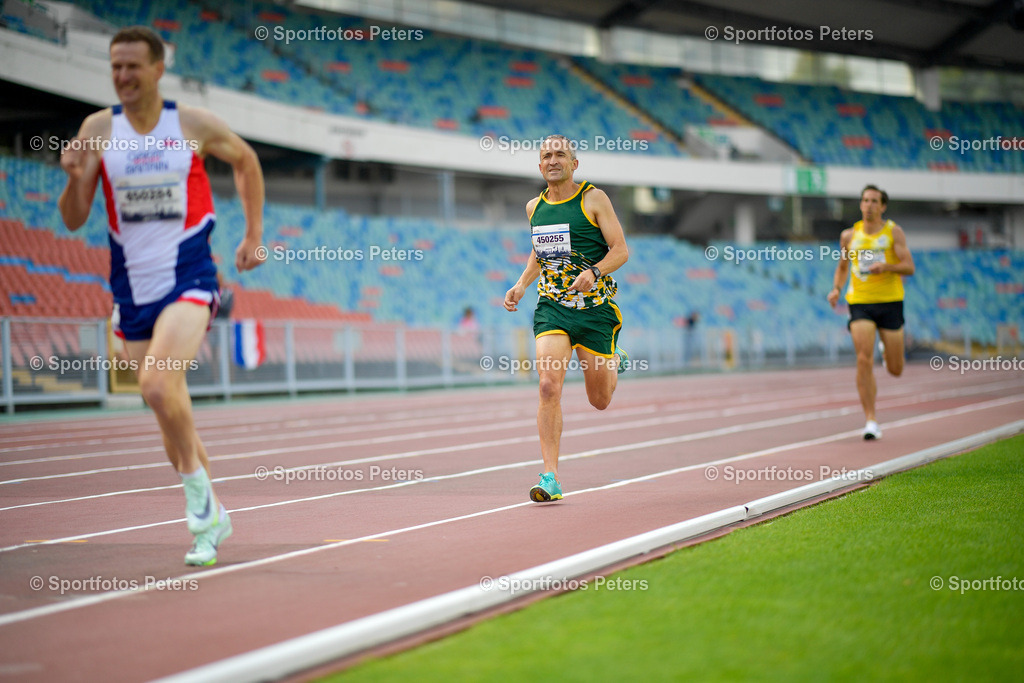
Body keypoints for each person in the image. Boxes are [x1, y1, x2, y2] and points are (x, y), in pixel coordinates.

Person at [58, 26, 265, 565]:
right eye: (114, 67)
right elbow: (75, 217)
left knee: (155, 383)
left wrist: (252, 235)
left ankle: (200, 517)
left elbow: (245, 161)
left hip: (190, 277)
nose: (122, 76)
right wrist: (73, 177)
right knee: (167, 404)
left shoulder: (190, 124)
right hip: (131, 286)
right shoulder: (97, 128)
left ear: (157, 69)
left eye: (132, 66)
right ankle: (215, 514)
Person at [503, 134, 629, 502]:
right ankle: (550, 477)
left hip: (594, 312)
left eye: (560, 154)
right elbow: (539, 252)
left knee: (600, 400)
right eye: (546, 155)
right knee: (547, 386)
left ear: (574, 164)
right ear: (539, 166)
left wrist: (595, 271)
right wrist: (522, 284)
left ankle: (613, 359)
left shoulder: (594, 198)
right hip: (552, 308)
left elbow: (621, 250)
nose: (553, 160)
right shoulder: (533, 207)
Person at [827, 185, 914, 440]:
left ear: (883, 206)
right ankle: (870, 420)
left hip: (890, 302)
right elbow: (843, 267)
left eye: (874, 201)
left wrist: (885, 267)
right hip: (860, 302)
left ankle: (888, 352)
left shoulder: (893, 232)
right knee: (863, 358)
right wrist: (835, 289)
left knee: (896, 369)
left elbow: (909, 267)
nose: (869, 205)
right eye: (865, 200)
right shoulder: (849, 235)